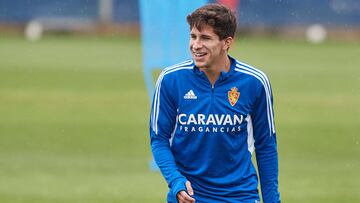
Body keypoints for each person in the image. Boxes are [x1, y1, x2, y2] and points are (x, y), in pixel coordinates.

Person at [149, 3, 280, 203]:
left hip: (240, 196)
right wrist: (176, 181)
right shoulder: (170, 80)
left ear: (226, 42)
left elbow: (266, 145)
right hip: (189, 197)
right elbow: (159, 139)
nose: (196, 45)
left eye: (205, 38)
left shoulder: (254, 82)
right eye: (193, 36)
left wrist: (272, 200)